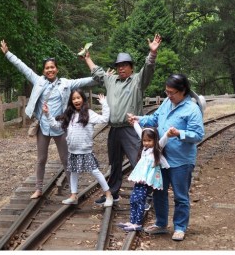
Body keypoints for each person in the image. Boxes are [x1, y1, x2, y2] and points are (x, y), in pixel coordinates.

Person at [0, 40, 96, 199]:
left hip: (60, 126)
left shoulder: (66, 83)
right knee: (41, 159)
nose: (50, 70)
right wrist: (8, 53)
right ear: (44, 71)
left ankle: (73, 192)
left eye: (52, 67)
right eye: (47, 68)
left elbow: (88, 80)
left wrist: (103, 76)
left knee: (66, 159)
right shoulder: (38, 81)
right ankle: (38, 189)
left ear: (57, 69)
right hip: (44, 126)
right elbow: (22, 66)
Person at [80, 34, 162, 205]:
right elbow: (98, 73)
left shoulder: (138, 81)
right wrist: (88, 59)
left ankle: (146, 195)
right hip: (114, 129)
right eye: (119, 66)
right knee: (115, 163)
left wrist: (152, 54)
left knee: (138, 161)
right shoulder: (111, 81)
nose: (121, 68)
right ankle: (114, 192)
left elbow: (148, 69)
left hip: (131, 128)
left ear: (131, 67)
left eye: (125, 65)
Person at [128, 73, 205, 242]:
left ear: (182, 91)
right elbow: (154, 118)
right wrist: (138, 119)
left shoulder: (192, 109)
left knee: (180, 195)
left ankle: (179, 227)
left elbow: (198, 134)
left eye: (172, 92)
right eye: (167, 92)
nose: (168, 95)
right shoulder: (166, 102)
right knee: (159, 192)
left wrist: (179, 133)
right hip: (160, 158)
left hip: (181, 161)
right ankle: (161, 224)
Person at [44, 91, 112, 207]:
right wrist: (47, 114)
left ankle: (108, 195)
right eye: (74, 99)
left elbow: (105, 119)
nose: (76, 100)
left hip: (85, 151)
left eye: (78, 98)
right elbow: (56, 125)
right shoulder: (69, 115)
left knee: (95, 172)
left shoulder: (89, 114)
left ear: (83, 99)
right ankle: (73, 195)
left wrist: (104, 104)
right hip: (73, 151)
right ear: (71, 101)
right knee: (73, 173)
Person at [117, 124, 169, 231]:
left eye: (149, 140)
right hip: (139, 179)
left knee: (140, 200)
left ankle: (138, 223)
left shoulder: (156, 150)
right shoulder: (144, 150)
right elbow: (139, 132)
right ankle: (132, 221)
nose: (146, 143)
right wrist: (135, 123)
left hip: (147, 181)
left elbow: (163, 141)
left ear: (155, 140)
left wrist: (168, 134)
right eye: (144, 140)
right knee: (133, 199)